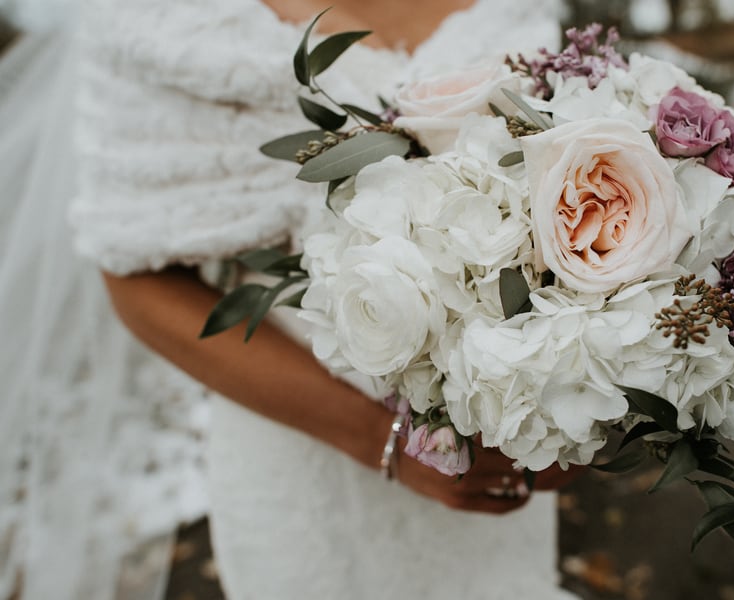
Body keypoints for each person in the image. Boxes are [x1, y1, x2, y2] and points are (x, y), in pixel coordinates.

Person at [72, 0, 582, 597]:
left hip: (496, 456)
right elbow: (134, 280)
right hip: (305, 451)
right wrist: (385, 442)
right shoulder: (158, 21)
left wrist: (572, 403)